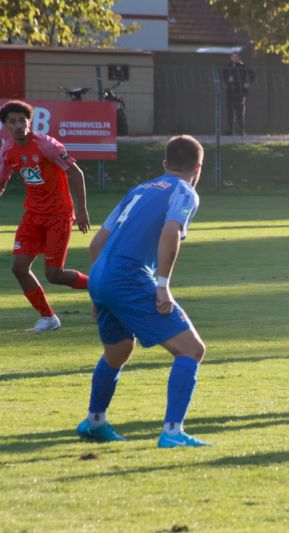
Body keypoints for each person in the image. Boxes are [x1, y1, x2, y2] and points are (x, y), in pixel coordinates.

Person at [76, 135, 210, 447]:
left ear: (164, 164)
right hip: (128, 277)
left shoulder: (139, 190)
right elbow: (170, 231)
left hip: (101, 276)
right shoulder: (184, 191)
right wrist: (163, 286)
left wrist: (99, 292)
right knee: (192, 350)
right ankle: (173, 433)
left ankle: (95, 422)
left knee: (118, 350)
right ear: (198, 168)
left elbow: (96, 243)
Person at [0, 99, 90, 332]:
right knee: (19, 267)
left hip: (58, 215)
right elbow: (2, 180)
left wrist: (82, 211)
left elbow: (76, 173)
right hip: (33, 215)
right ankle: (48, 318)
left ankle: (101, 287)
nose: (18, 126)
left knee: (54, 275)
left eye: (22, 121)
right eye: (12, 122)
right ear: (6, 126)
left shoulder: (46, 145)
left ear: (29, 122)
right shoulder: (7, 150)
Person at [222, 51, 255, 136]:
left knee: (240, 111)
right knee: (230, 112)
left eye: (236, 57)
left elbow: (252, 74)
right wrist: (228, 79)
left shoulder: (242, 66)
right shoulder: (228, 66)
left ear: (239, 58)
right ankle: (230, 130)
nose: (235, 58)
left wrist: (248, 83)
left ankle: (241, 129)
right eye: (233, 57)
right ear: (231, 57)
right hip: (230, 91)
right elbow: (223, 75)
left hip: (240, 92)